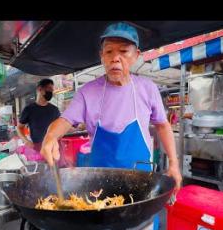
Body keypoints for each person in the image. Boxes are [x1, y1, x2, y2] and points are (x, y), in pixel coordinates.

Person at [41, 22, 182, 190]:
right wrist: (50, 136)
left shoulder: (148, 88)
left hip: (141, 180)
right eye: (109, 51)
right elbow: (65, 120)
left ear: (136, 55)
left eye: (123, 51)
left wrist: (173, 163)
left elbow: (162, 125)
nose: (115, 58)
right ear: (102, 56)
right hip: (100, 183)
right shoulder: (87, 92)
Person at [17, 78, 60, 152]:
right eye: (49, 88)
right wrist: (26, 141)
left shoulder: (54, 109)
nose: (51, 91)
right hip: (37, 148)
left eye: (52, 89)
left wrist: (77, 128)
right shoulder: (29, 109)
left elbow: (61, 126)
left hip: (54, 146)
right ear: (40, 89)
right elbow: (19, 128)